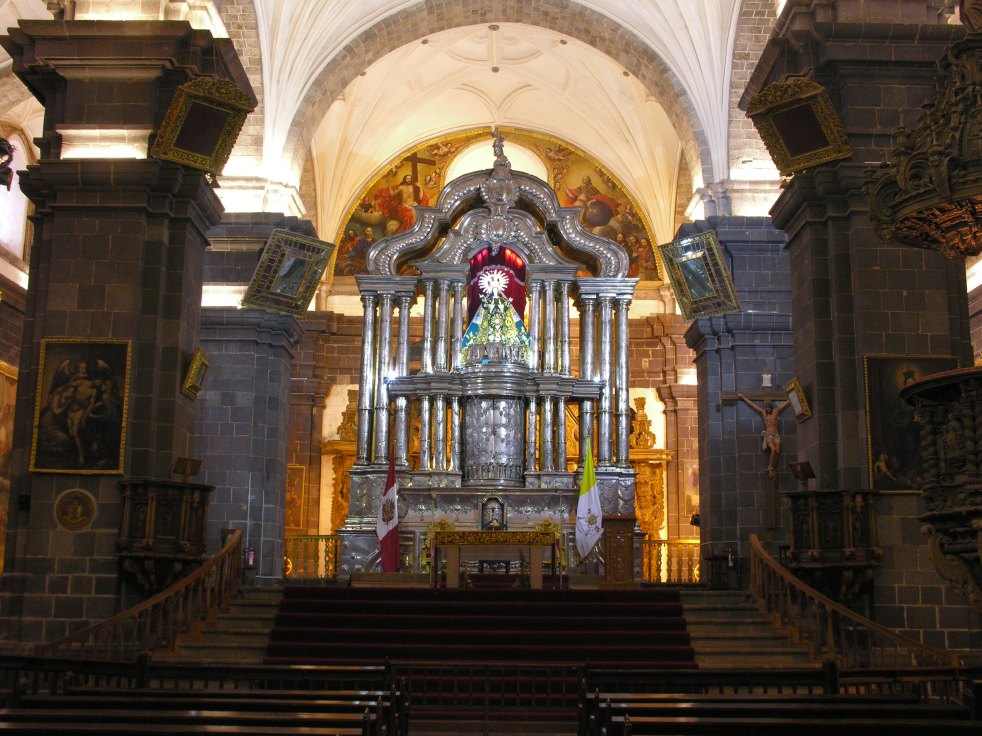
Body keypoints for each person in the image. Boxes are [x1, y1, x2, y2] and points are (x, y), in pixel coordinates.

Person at [737, 392, 790, 478]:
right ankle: (770, 466)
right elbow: (753, 405)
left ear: (771, 408)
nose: (768, 410)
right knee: (773, 449)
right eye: (767, 409)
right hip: (768, 434)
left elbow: (784, 405)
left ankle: (772, 467)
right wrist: (743, 397)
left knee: (777, 451)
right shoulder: (763, 413)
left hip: (776, 434)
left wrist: (793, 396)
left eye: (769, 408)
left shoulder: (776, 412)